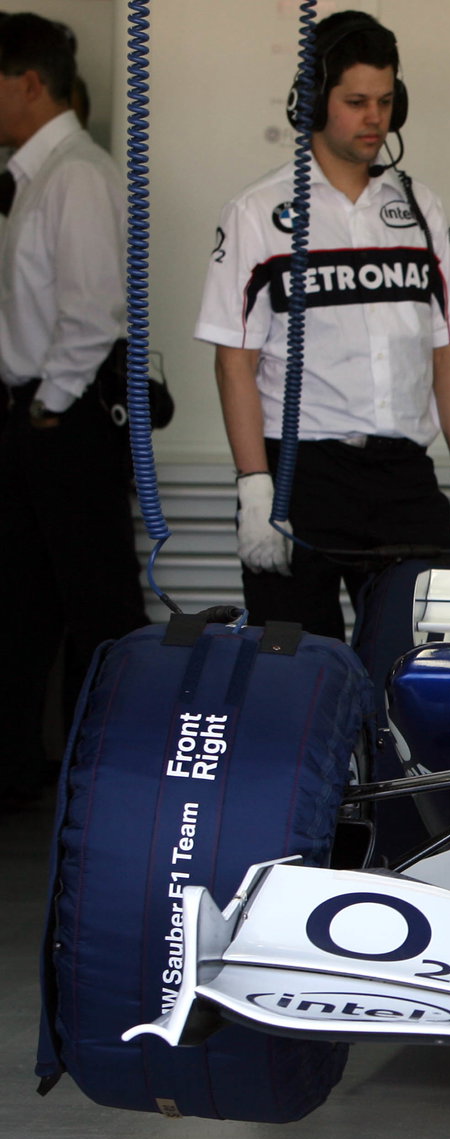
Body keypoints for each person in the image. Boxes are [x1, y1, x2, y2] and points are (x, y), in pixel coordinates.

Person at [195, 10, 450, 642]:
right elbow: (235, 361)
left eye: (387, 101)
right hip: (298, 477)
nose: (375, 119)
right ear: (312, 102)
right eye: (357, 101)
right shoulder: (258, 212)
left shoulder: (420, 208)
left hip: (402, 476)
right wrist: (255, 493)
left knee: (425, 664)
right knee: (293, 671)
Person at [0, 13, 146, 812]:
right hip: (34, 415)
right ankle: (22, 768)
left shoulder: (77, 175)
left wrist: (50, 408)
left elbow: (93, 311)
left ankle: (109, 777)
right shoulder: (37, 176)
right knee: (24, 607)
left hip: (66, 417)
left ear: (28, 83)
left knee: (96, 604)